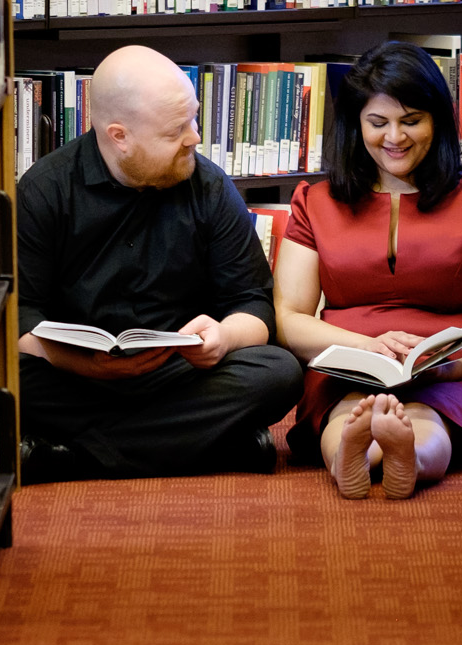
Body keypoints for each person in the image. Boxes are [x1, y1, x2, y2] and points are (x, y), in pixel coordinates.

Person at [16, 45, 304, 482]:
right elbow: (18, 316)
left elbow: (253, 302)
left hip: (180, 374)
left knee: (279, 372)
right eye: (175, 131)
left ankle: (73, 459)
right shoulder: (44, 190)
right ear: (120, 136)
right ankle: (214, 447)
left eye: (194, 117)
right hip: (76, 377)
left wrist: (223, 338)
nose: (195, 137)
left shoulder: (208, 186)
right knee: (6, 379)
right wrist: (83, 363)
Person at [273, 42, 462, 499]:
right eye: (378, 123)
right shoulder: (314, 202)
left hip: (458, 366)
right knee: (352, 410)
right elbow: (289, 318)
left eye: (412, 121)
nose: (395, 137)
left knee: (432, 416)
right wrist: (367, 347)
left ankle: (406, 456)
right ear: (355, 124)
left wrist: (445, 368)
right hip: (350, 360)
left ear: (438, 120)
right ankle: (355, 457)